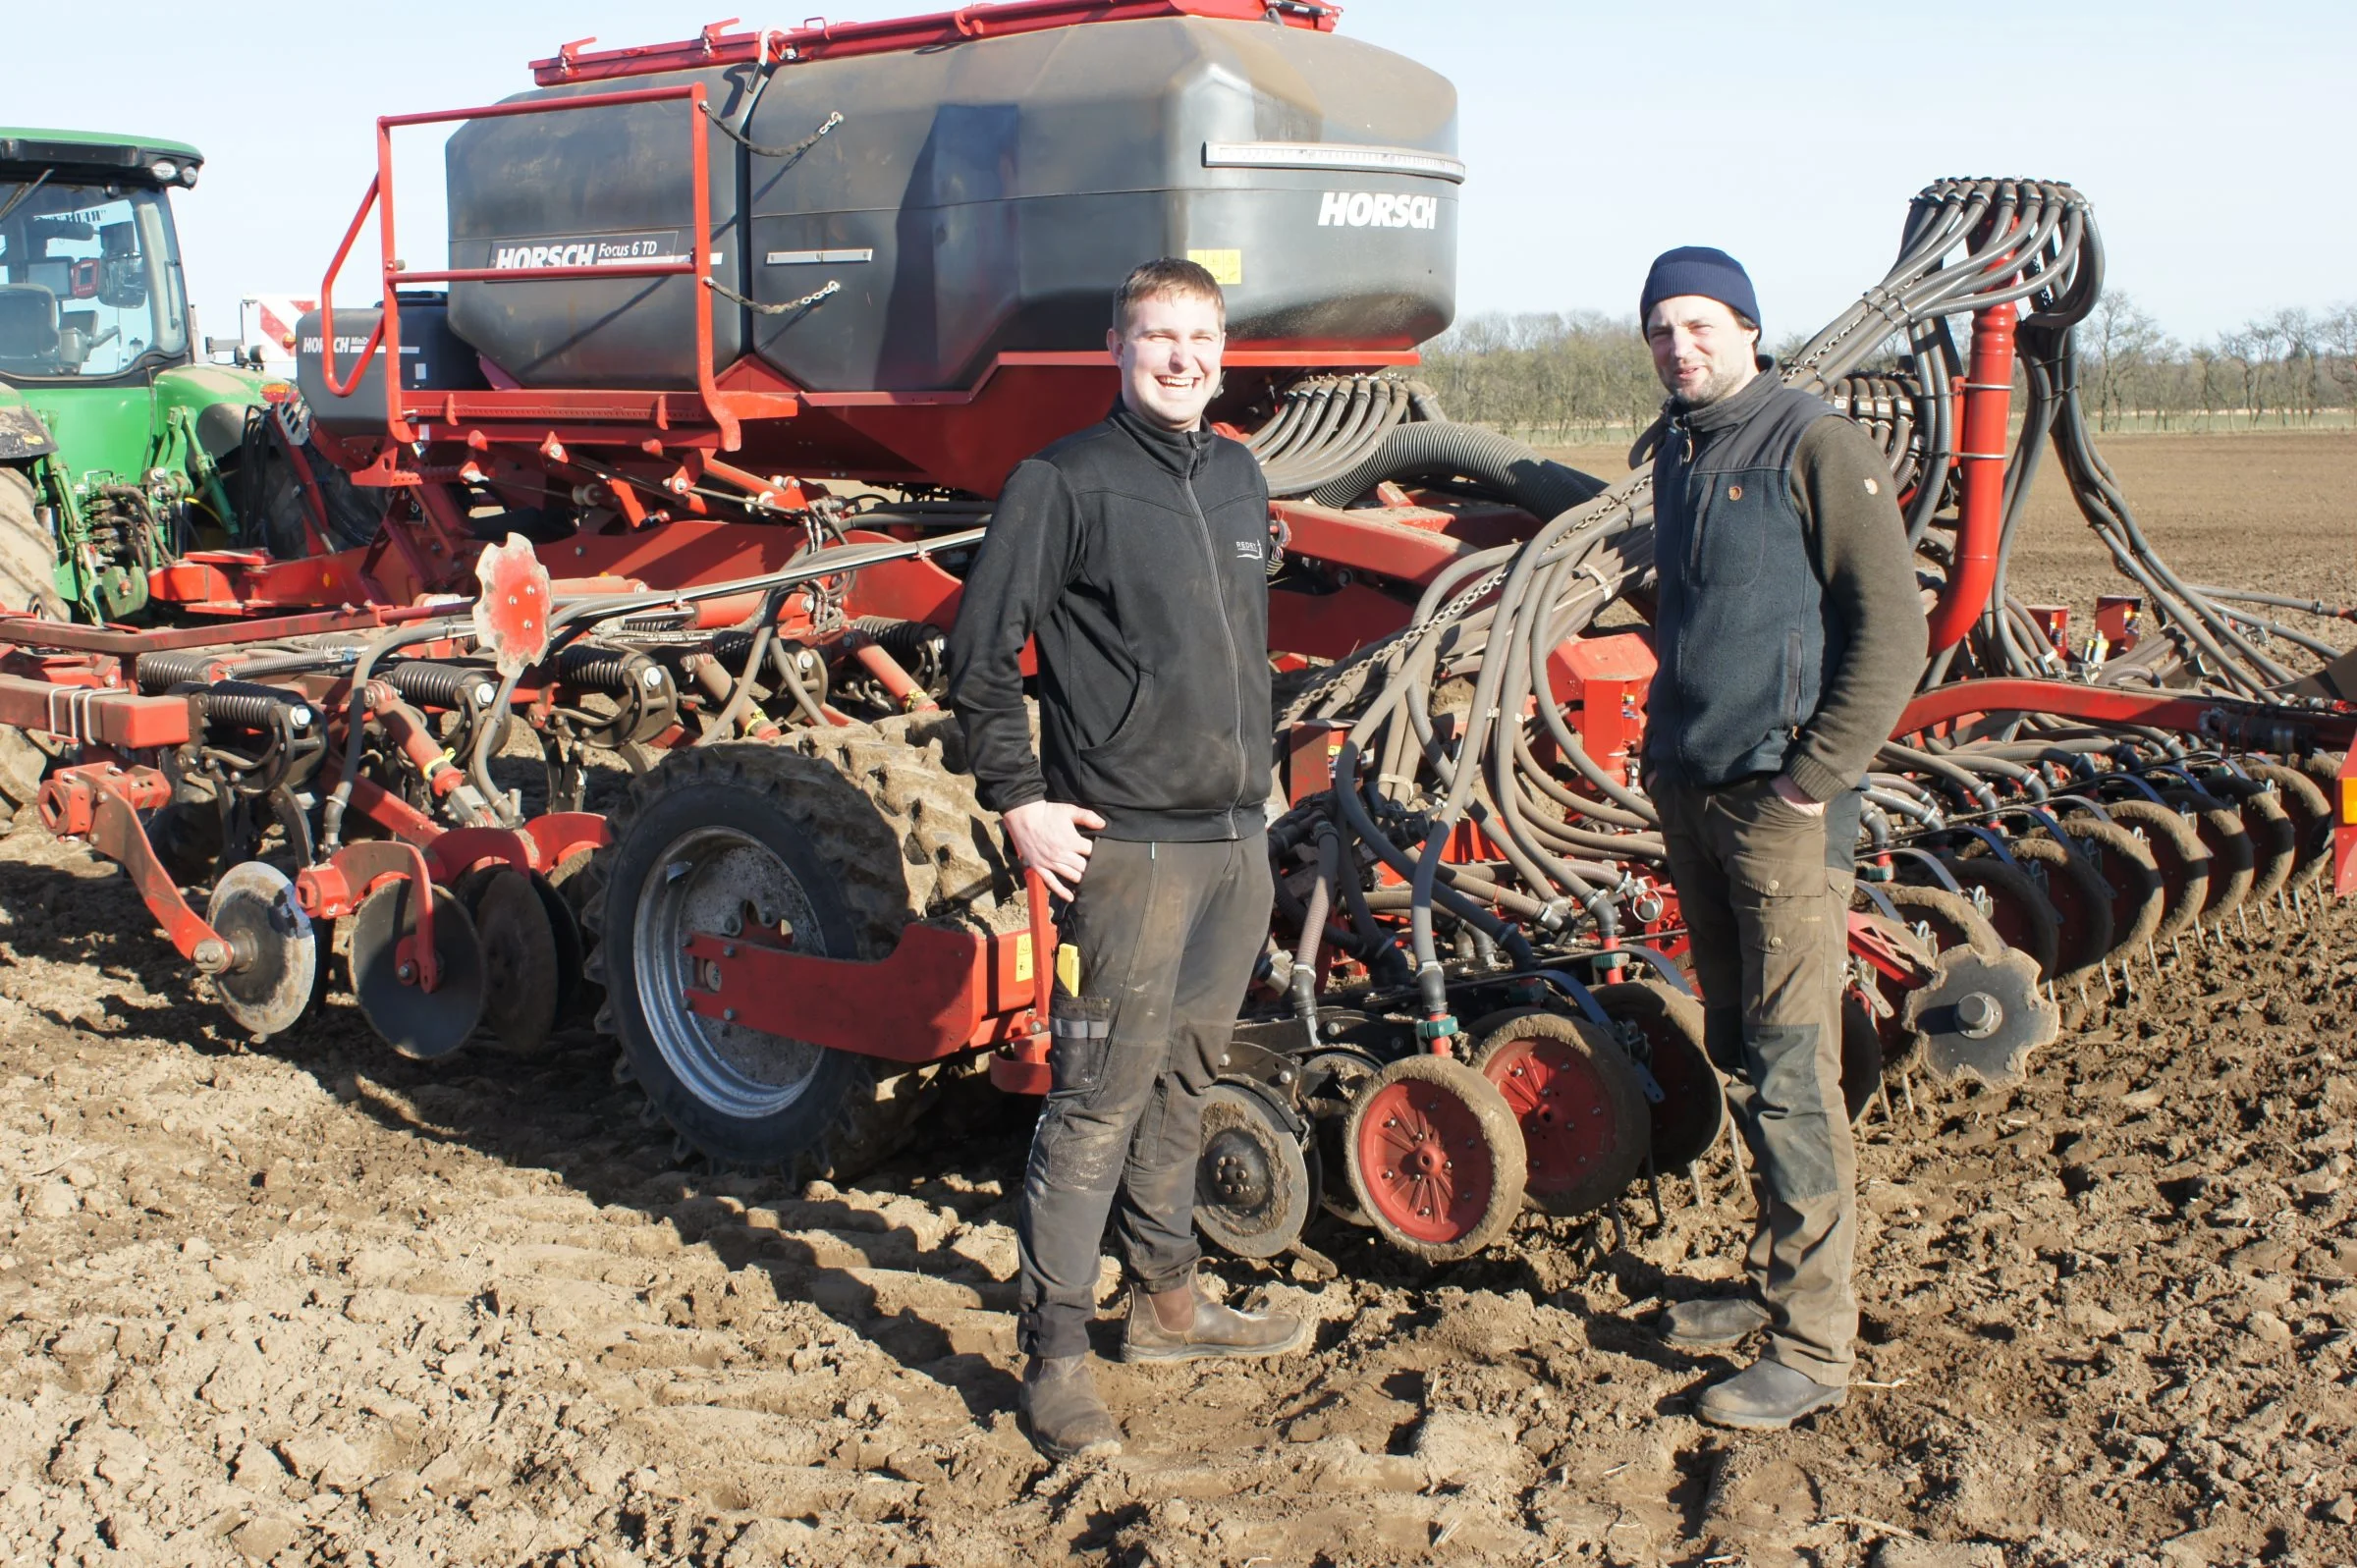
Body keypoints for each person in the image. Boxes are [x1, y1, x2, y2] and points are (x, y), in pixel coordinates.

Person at [946, 258, 1306, 1462]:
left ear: (1223, 350)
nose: (1182, 357)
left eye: (1201, 337)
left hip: (1233, 844)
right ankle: (1053, 1352)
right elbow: (982, 656)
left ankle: (1166, 1302)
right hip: (1129, 851)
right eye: (1158, 335)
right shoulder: (1063, 481)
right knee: (1096, 1093)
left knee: (1187, 1077)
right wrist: (1019, 801)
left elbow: (1245, 650)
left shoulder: (1242, 474)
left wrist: (1268, 775)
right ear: (1116, 345)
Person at [1634, 246, 1925, 1430]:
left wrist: (1812, 782)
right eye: (1660, 328)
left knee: (1796, 1067)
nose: (1679, 345)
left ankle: (1812, 1341)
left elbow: (1891, 632)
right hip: (1695, 792)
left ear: (1749, 328)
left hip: (1780, 808)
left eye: (1699, 324)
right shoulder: (1681, 452)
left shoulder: (1812, 441)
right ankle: (1771, 1281)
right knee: (1741, 1044)